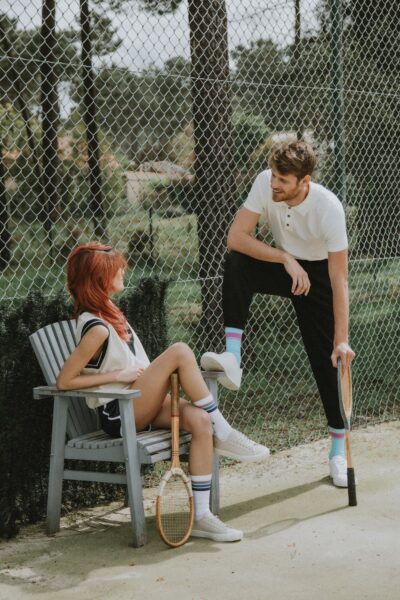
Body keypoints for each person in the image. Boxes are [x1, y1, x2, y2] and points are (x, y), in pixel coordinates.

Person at [56, 242, 269, 543]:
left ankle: (202, 516)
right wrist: (120, 375)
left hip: (137, 401)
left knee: (199, 421)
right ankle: (225, 430)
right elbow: (64, 381)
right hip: (120, 413)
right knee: (181, 351)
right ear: (99, 278)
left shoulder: (111, 316)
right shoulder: (96, 328)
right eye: (115, 267)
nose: (122, 269)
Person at [201, 140, 356, 488]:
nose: (274, 184)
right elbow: (236, 238)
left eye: (282, 180)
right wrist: (285, 259)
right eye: (273, 176)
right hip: (285, 266)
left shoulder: (329, 208)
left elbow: (339, 277)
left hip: (318, 276)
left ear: (304, 181)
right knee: (237, 263)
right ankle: (233, 357)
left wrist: (342, 340)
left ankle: (336, 448)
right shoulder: (263, 184)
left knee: (328, 359)